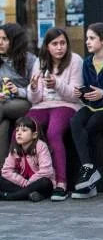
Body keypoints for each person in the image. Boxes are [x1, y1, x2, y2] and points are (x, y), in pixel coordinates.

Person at [70, 23, 103, 200]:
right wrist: (81, 93)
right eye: (87, 38)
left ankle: (89, 180)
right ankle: (88, 168)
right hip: (91, 106)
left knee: (91, 126)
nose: (87, 41)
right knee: (75, 121)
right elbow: (88, 90)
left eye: (92, 38)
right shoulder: (87, 63)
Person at [27, 27, 83, 201]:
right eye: (55, 44)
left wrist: (57, 84)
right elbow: (34, 99)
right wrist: (33, 88)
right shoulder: (40, 61)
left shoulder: (75, 60)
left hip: (67, 104)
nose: (59, 47)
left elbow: (76, 94)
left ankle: (61, 183)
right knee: (22, 130)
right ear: (47, 46)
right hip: (41, 105)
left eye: (63, 43)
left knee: (54, 132)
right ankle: (26, 180)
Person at [0, 23, 36, 168]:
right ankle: (4, 170)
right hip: (4, 102)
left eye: (4, 39)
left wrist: (18, 90)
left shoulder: (30, 60)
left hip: (24, 101)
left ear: (15, 41)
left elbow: (37, 89)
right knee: (3, 126)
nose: (0, 42)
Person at [0, 115, 55, 202]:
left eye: (24, 130)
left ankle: (10, 196)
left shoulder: (41, 146)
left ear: (34, 135)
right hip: (22, 184)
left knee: (45, 182)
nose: (19, 133)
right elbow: (6, 171)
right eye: (17, 130)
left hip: (37, 183)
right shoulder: (15, 149)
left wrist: (29, 183)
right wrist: (23, 182)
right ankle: (30, 195)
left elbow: (46, 171)